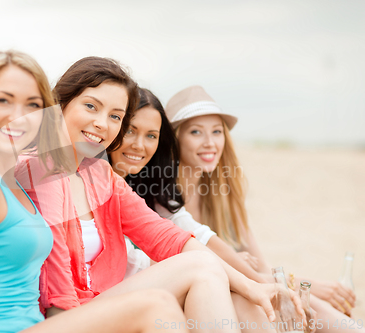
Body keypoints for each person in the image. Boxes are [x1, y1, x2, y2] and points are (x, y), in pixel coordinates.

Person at [0, 50, 193, 333]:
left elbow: (165, 234)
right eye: (2, 100)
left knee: (166, 300)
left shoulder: (12, 180)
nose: (18, 116)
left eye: (32, 105)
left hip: (31, 325)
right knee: (157, 306)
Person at [16, 57, 306, 331]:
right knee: (199, 268)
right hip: (64, 317)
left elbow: (169, 237)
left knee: (231, 288)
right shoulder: (38, 167)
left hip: (99, 304)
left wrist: (252, 286)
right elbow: (55, 283)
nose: (103, 123)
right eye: (91, 107)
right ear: (61, 104)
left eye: (115, 116)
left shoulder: (100, 176)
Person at [163, 85, 362, 333]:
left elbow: (262, 268)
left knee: (308, 304)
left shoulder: (222, 195)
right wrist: (304, 284)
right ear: (174, 138)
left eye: (217, 132)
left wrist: (303, 287)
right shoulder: (164, 198)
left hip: (244, 287)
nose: (210, 142)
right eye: (196, 132)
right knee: (250, 300)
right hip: (193, 299)